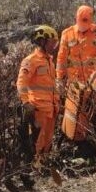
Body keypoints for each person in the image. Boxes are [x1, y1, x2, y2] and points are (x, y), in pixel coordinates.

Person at [16, 25, 60, 168]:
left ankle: (44, 164)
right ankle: (34, 167)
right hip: (39, 108)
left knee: (48, 139)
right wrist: (25, 102)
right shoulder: (31, 60)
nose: (54, 45)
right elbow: (21, 82)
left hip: (51, 108)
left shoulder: (49, 61)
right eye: (51, 42)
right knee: (38, 140)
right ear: (42, 41)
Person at [56, 5, 96, 96]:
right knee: (73, 109)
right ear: (76, 18)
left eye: (86, 20)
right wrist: (60, 78)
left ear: (91, 20)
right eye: (81, 20)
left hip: (95, 82)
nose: (83, 23)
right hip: (74, 82)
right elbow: (61, 58)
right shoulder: (67, 34)